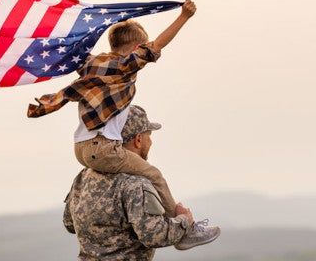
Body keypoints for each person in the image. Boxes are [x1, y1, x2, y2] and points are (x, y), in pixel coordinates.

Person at [29, 0, 203, 219]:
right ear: (136, 48)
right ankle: (181, 225)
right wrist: (184, 17)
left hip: (80, 148)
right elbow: (158, 45)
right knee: (154, 175)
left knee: (111, 174)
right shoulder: (124, 66)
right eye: (142, 47)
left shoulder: (93, 63)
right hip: (103, 147)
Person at [63, 105, 221, 260]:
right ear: (138, 139)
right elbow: (153, 235)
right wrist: (184, 221)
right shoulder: (135, 184)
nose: (151, 142)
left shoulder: (83, 177)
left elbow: (69, 223)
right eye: (149, 136)